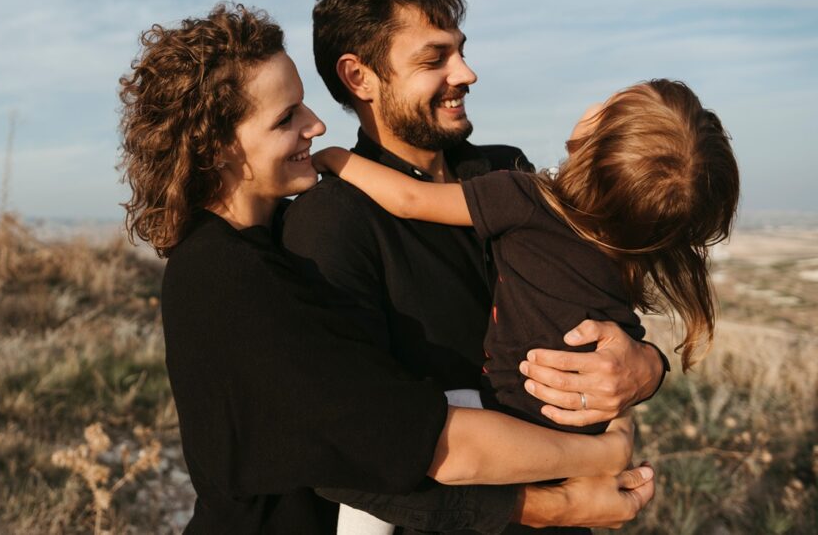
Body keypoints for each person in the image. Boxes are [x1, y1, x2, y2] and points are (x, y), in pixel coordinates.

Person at [118, 3, 654, 534]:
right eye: (286, 118)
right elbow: (413, 444)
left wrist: (645, 365)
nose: (316, 124)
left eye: (302, 105)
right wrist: (589, 470)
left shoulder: (269, 244)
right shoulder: (224, 275)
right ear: (214, 150)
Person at [282, 0, 670, 532]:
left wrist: (645, 368)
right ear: (359, 76)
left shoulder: (508, 173)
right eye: (435, 58)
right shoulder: (329, 222)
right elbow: (345, 453)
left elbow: (591, 296)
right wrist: (548, 507)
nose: (466, 73)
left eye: (461, 51)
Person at [312, 79, 738, 533]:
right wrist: (646, 374)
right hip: (577, 443)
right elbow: (619, 358)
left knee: (398, 443)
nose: (595, 100)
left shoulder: (523, 197)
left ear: (594, 147)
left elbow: (410, 199)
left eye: (610, 104)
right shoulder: (626, 260)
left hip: (506, 422)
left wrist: (333, 158)